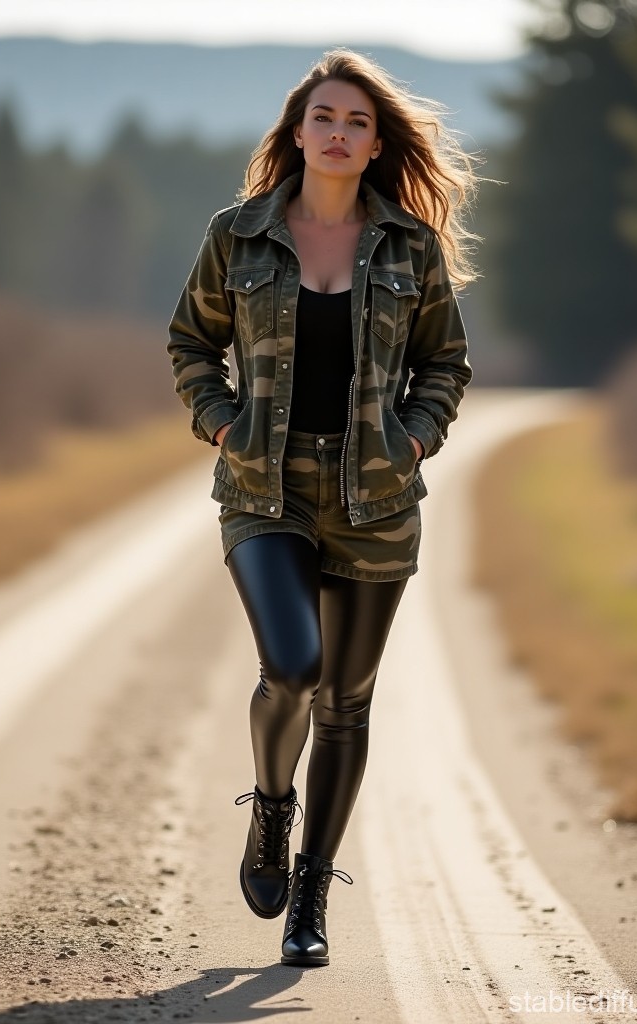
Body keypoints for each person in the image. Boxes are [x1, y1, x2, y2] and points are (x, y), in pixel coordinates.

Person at [167, 49, 477, 967]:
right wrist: (221, 422)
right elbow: (192, 342)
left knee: (346, 700)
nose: (339, 134)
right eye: (324, 118)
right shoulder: (238, 235)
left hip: (375, 498)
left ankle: (311, 894)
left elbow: (445, 364)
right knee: (294, 667)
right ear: (297, 134)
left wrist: (413, 439)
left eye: (357, 122)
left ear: (377, 145)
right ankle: (272, 809)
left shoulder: (409, 247)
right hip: (264, 489)